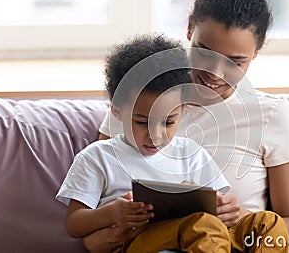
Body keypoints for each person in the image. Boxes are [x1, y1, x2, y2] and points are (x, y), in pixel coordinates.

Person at [89, 0, 289, 252]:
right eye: (204, 52)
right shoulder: (139, 101)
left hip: (236, 243)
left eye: (235, 62)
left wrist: (236, 218)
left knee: (266, 224)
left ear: (257, 51)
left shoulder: (272, 115)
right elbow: (92, 227)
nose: (215, 74)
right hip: (152, 243)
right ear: (190, 27)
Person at [56, 34, 234, 252]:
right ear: (117, 112)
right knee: (203, 226)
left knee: (264, 225)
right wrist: (111, 213)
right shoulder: (97, 157)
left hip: (196, 241)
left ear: (183, 110)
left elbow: (217, 206)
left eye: (168, 122)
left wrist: (225, 207)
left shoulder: (192, 154)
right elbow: (73, 224)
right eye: (141, 122)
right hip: (139, 242)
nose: (155, 135)